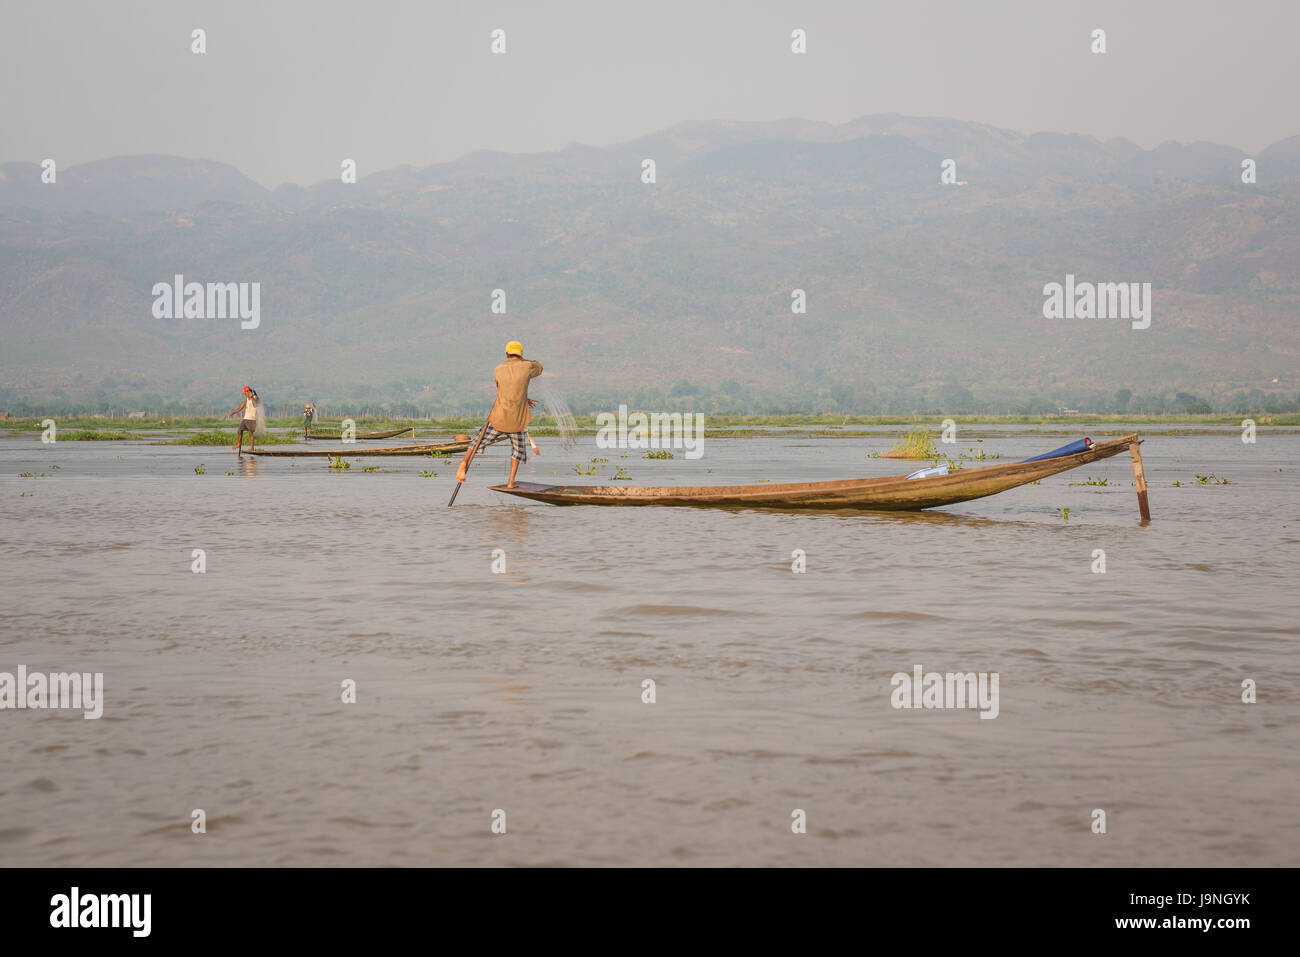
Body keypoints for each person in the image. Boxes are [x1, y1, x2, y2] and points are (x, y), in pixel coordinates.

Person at [456, 341, 543, 490]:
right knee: (518, 451)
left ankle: (464, 462)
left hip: (498, 417)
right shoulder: (527, 366)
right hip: (516, 420)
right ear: (520, 354)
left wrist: (524, 399)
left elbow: (504, 391)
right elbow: (539, 368)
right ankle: (510, 483)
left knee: (477, 441)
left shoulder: (498, 369)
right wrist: (526, 361)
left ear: (506, 353)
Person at [227, 386, 261, 452]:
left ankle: (252, 448)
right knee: (239, 431)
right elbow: (240, 408)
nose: (245, 394)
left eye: (245, 393)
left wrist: (252, 396)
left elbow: (256, 404)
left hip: (251, 419)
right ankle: (239, 444)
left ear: (248, 392)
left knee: (250, 433)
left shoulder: (254, 398)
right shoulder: (246, 400)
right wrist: (232, 413)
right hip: (245, 418)